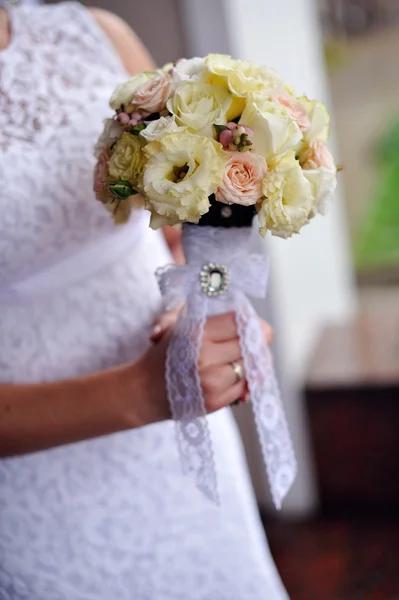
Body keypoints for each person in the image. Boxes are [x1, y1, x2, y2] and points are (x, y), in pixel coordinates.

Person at [0, 2, 289, 599]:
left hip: (179, 451)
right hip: (33, 488)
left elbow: (195, 234)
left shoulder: (95, 35)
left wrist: (207, 304)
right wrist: (142, 391)